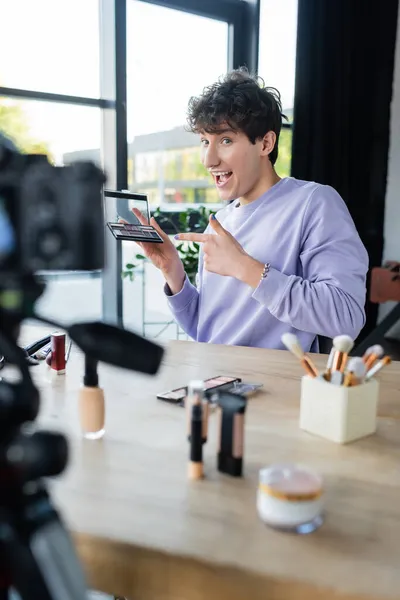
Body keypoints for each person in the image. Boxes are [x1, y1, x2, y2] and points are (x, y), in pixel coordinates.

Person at [130, 68, 368, 351]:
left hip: (275, 388)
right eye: (205, 141)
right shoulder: (220, 222)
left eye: (226, 140)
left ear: (265, 143)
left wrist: (245, 267)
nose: (209, 159)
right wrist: (174, 273)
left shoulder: (313, 203)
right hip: (214, 382)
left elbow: (346, 317)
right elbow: (206, 331)